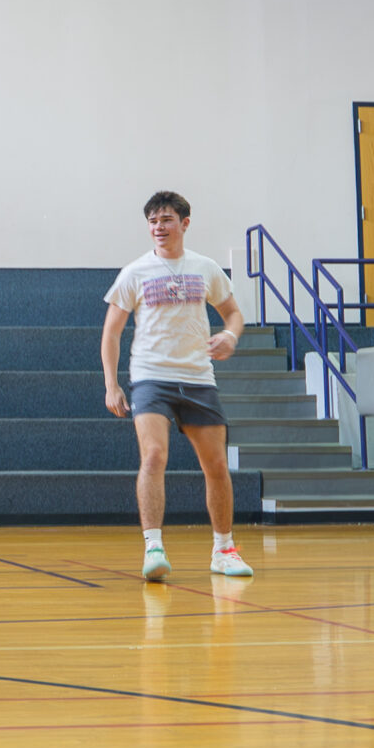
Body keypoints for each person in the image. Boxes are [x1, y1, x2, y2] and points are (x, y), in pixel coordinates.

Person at [101, 190, 254, 581]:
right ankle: (153, 547)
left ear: (184, 224)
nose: (159, 227)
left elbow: (234, 314)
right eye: (153, 221)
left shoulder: (205, 268)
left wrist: (230, 336)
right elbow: (112, 332)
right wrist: (111, 385)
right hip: (151, 377)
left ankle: (224, 550)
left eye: (166, 220)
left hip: (198, 378)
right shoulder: (135, 272)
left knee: (216, 465)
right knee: (154, 455)